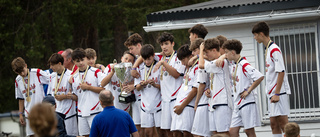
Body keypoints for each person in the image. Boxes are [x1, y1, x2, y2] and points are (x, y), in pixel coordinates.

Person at [131, 32, 185, 137]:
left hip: (175, 98)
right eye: (162, 44)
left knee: (178, 131)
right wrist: (134, 68)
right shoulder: (159, 56)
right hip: (164, 99)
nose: (164, 47)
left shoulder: (177, 57)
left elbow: (176, 74)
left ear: (172, 44)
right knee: (166, 132)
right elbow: (144, 56)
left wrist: (163, 63)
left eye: (166, 44)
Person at [252, 22, 291, 137]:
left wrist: (277, 93)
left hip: (278, 92)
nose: (254, 38)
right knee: (274, 124)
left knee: (284, 124)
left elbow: (281, 71)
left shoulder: (274, 49)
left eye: (255, 35)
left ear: (261, 34)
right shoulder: (268, 49)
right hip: (271, 93)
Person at [222, 39, 264, 137]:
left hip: (247, 102)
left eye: (227, 52)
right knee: (232, 132)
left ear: (233, 52)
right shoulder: (234, 65)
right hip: (237, 102)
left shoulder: (244, 64)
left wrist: (248, 91)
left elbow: (259, 77)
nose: (225, 55)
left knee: (249, 131)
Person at [198, 38, 233, 136]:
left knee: (223, 133)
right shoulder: (216, 61)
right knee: (215, 133)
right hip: (214, 102)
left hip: (222, 102)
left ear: (214, 50)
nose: (206, 55)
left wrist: (200, 50)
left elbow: (201, 64)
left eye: (207, 52)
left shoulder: (220, 62)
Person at [70, 48, 106, 137]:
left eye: (82, 60)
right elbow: (77, 96)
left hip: (95, 111)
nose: (81, 63)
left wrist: (88, 87)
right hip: (81, 112)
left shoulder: (96, 72)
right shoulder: (74, 77)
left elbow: (103, 90)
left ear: (86, 58)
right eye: (78, 61)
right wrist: (70, 96)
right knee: (84, 135)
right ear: (74, 62)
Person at [12, 57, 50, 137]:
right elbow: (21, 98)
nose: (22, 74)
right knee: (32, 135)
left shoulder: (37, 72)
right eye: (19, 73)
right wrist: (20, 114)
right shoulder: (18, 80)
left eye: (22, 71)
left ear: (25, 65)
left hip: (41, 111)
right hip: (29, 113)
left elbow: (52, 81)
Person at [47, 53, 79, 136]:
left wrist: (65, 96)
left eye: (52, 65)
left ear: (60, 64)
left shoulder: (71, 75)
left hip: (69, 115)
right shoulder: (51, 77)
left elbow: (77, 97)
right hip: (57, 115)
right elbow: (50, 97)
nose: (51, 67)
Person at [171, 44, 199, 137]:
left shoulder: (197, 68)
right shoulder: (187, 69)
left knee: (187, 133)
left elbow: (195, 90)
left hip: (187, 106)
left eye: (183, 60)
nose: (182, 63)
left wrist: (182, 106)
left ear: (191, 56)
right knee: (176, 133)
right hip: (178, 105)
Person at [135, 44, 163, 137]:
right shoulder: (140, 67)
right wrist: (142, 84)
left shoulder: (159, 66)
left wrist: (155, 84)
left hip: (158, 103)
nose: (147, 62)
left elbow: (164, 87)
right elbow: (137, 88)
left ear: (153, 55)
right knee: (148, 132)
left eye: (149, 59)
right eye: (144, 59)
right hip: (145, 104)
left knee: (161, 131)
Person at [189, 38, 211, 137]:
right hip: (208, 100)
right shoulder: (208, 61)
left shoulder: (203, 63)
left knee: (197, 134)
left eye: (194, 51)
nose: (193, 53)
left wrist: (196, 102)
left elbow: (201, 85)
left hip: (204, 101)